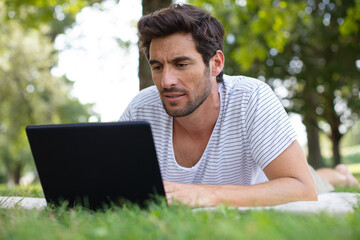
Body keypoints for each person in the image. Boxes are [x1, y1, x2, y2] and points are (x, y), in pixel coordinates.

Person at [119, 3, 356, 207]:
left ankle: (340, 175)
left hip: (267, 177)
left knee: (318, 179)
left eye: (181, 64)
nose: (166, 81)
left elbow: (303, 188)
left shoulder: (251, 97)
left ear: (216, 63)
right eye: (157, 66)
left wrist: (202, 193)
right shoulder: (141, 109)